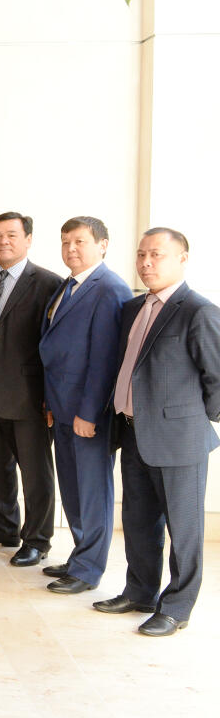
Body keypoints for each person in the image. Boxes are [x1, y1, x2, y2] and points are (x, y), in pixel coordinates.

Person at [95, 228, 220, 636]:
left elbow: (216, 378)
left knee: (183, 529)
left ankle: (177, 607)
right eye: (141, 254)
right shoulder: (134, 308)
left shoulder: (198, 310)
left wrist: (193, 421)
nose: (147, 262)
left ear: (182, 259)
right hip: (133, 430)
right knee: (138, 519)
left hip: (179, 440)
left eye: (157, 255)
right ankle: (140, 592)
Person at [38, 216, 130, 594]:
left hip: (86, 413)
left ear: (103, 244)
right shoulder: (68, 286)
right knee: (73, 489)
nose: (70, 249)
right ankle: (79, 557)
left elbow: (105, 360)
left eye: (79, 242)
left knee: (93, 491)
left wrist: (89, 413)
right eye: (65, 242)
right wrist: (49, 401)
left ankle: (90, 569)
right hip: (60, 407)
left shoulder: (110, 289)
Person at [0, 212, 62, 567]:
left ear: (28, 239)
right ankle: (3, 526)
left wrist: (48, 397)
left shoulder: (48, 283)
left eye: (11, 235)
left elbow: (53, 346)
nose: (3, 241)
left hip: (27, 395)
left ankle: (37, 539)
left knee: (35, 472)